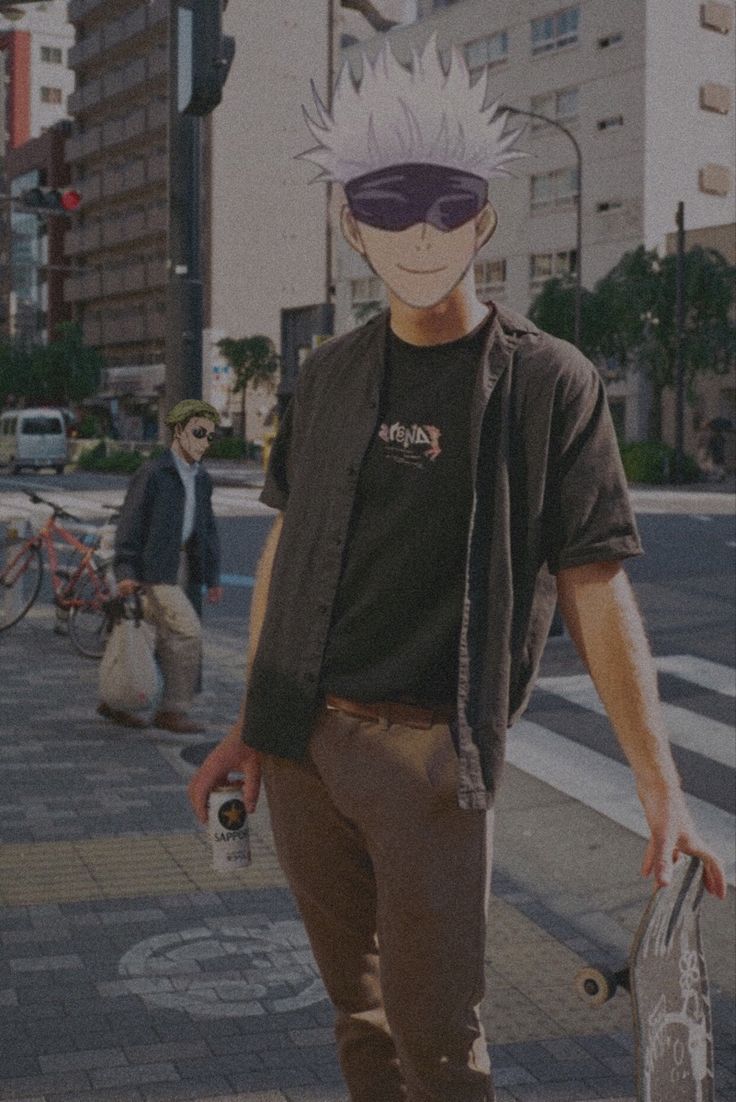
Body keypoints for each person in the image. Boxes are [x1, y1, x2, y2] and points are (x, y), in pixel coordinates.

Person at [188, 41, 726, 1102]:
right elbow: (293, 554)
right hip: (301, 753)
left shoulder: (547, 383)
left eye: (446, 201)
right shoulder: (330, 375)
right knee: (359, 1021)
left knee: (439, 1043)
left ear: (483, 216)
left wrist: (661, 789)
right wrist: (251, 726)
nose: (418, 229)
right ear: (353, 225)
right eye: (386, 203)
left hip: (431, 761)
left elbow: (595, 588)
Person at [98, 399, 223, 733]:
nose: (204, 442)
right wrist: (126, 572)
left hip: (182, 564)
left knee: (144, 633)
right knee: (187, 632)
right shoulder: (154, 472)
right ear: (179, 432)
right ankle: (172, 709)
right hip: (154, 569)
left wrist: (211, 575)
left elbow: (206, 529)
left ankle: (117, 699)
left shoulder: (202, 479)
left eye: (210, 436)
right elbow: (131, 523)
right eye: (198, 432)